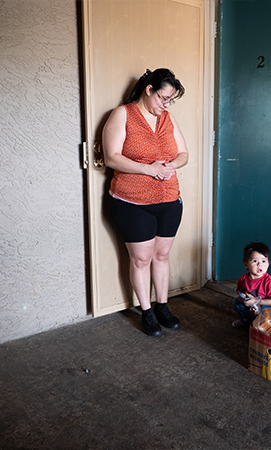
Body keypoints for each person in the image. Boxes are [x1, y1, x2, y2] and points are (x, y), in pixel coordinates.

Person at [102, 68, 188, 337]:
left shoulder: (167, 119)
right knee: (141, 259)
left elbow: (184, 153)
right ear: (149, 90)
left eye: (171, 100)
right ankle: (147, 310)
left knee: (162, 256)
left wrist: (171, 164)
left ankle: (163, 306)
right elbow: (111, 158)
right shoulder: (123, 114)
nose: (166, 104)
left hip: (169, 200)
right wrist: (149, 169)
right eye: (164, 98)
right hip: (132, 202)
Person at [232, 242, 271, 328]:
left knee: (265, 309)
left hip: (265, 310)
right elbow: (240, 293)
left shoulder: (270, 282)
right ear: (246, 264)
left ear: (268, 264)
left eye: (263, 261)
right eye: (255, 261)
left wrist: (257, 301)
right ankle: (245, 321)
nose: (259, 264)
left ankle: (262, 326)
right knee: (236, 302)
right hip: (251, 307)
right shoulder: (242, 280)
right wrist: (242, 298)